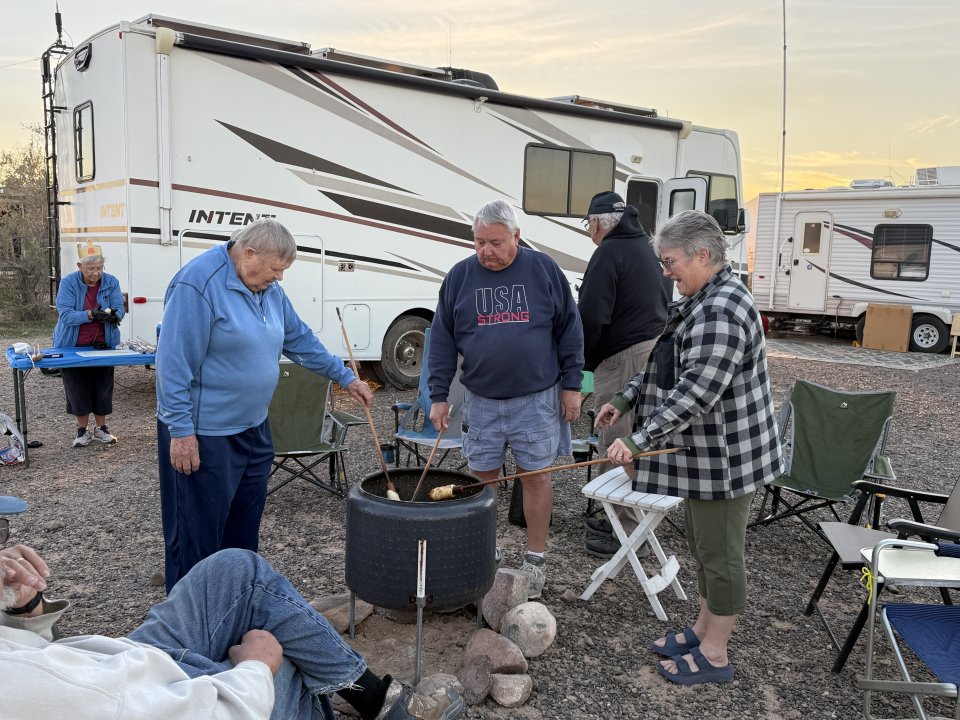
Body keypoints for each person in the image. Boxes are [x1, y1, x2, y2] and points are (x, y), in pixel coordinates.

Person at [595, 210, 783, 686]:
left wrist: (639, 439)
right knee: (703, 545)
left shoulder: (722, 309)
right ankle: (702, 630)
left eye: (670, 261)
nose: (665, 271)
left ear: (702, 255)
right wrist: (626, 398)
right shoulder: (702, 297)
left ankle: (716, 654)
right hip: (705, 456)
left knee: (722, 555)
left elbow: (697, 391)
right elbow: (663, 362)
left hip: (728, 459)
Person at [0, 535, 464, 719]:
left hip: (113, 662)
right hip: (144, 693)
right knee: (283, 650)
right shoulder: (19, 688)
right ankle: (377, 704)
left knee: (237, 571)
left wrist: (20, 613)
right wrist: (256, 669)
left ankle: (371, 697)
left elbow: (39, 661)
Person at [156, 219, 374, 593]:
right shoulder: (198, 285)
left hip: (254, 429)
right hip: (206, 434)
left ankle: (235, 603)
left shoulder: (267, 288)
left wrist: (345, 377)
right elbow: (173, 364)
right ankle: (188, 618)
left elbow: (299, 339)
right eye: (276, 269)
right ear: (249, 253)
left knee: (242, 531)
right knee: (197, 538)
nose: (280, 278)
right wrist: (181, 431)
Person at [428, 199, 584, 600]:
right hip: (481, 399)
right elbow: (442, 340)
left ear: (516, 236)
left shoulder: (543, 269)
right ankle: (485, 552)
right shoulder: (460, 276)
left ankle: (535, 559)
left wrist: (573, 385)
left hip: (536, 398)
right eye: (479, 242)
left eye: (495, 243)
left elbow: (569, 329)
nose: (486, 251)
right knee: (482, 478)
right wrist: (438, 396)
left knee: (536, 476)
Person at [576, 191, 671, 559]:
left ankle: (628, 532)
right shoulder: (645, 247)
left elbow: (592, 317)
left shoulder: (609, 252)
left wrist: (581, 366)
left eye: (588, 224)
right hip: (652, 349)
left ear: (598, 223)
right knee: (635, 437)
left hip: (622, 357)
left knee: (617, 439)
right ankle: (618, 516)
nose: (589, 231)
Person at [53, 251, 125, 447]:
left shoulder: (111, 282)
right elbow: (66, 315)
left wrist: (114, 315)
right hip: (72, 345)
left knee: (103, 387)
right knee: (78, 388)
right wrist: (91, 314)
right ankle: (82, 430)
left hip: (103, 344)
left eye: (99, 268)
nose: (95, 273)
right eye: (90, 269)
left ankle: (101, 428)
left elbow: (119, 307)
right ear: (80, 267)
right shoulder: (68, 283)